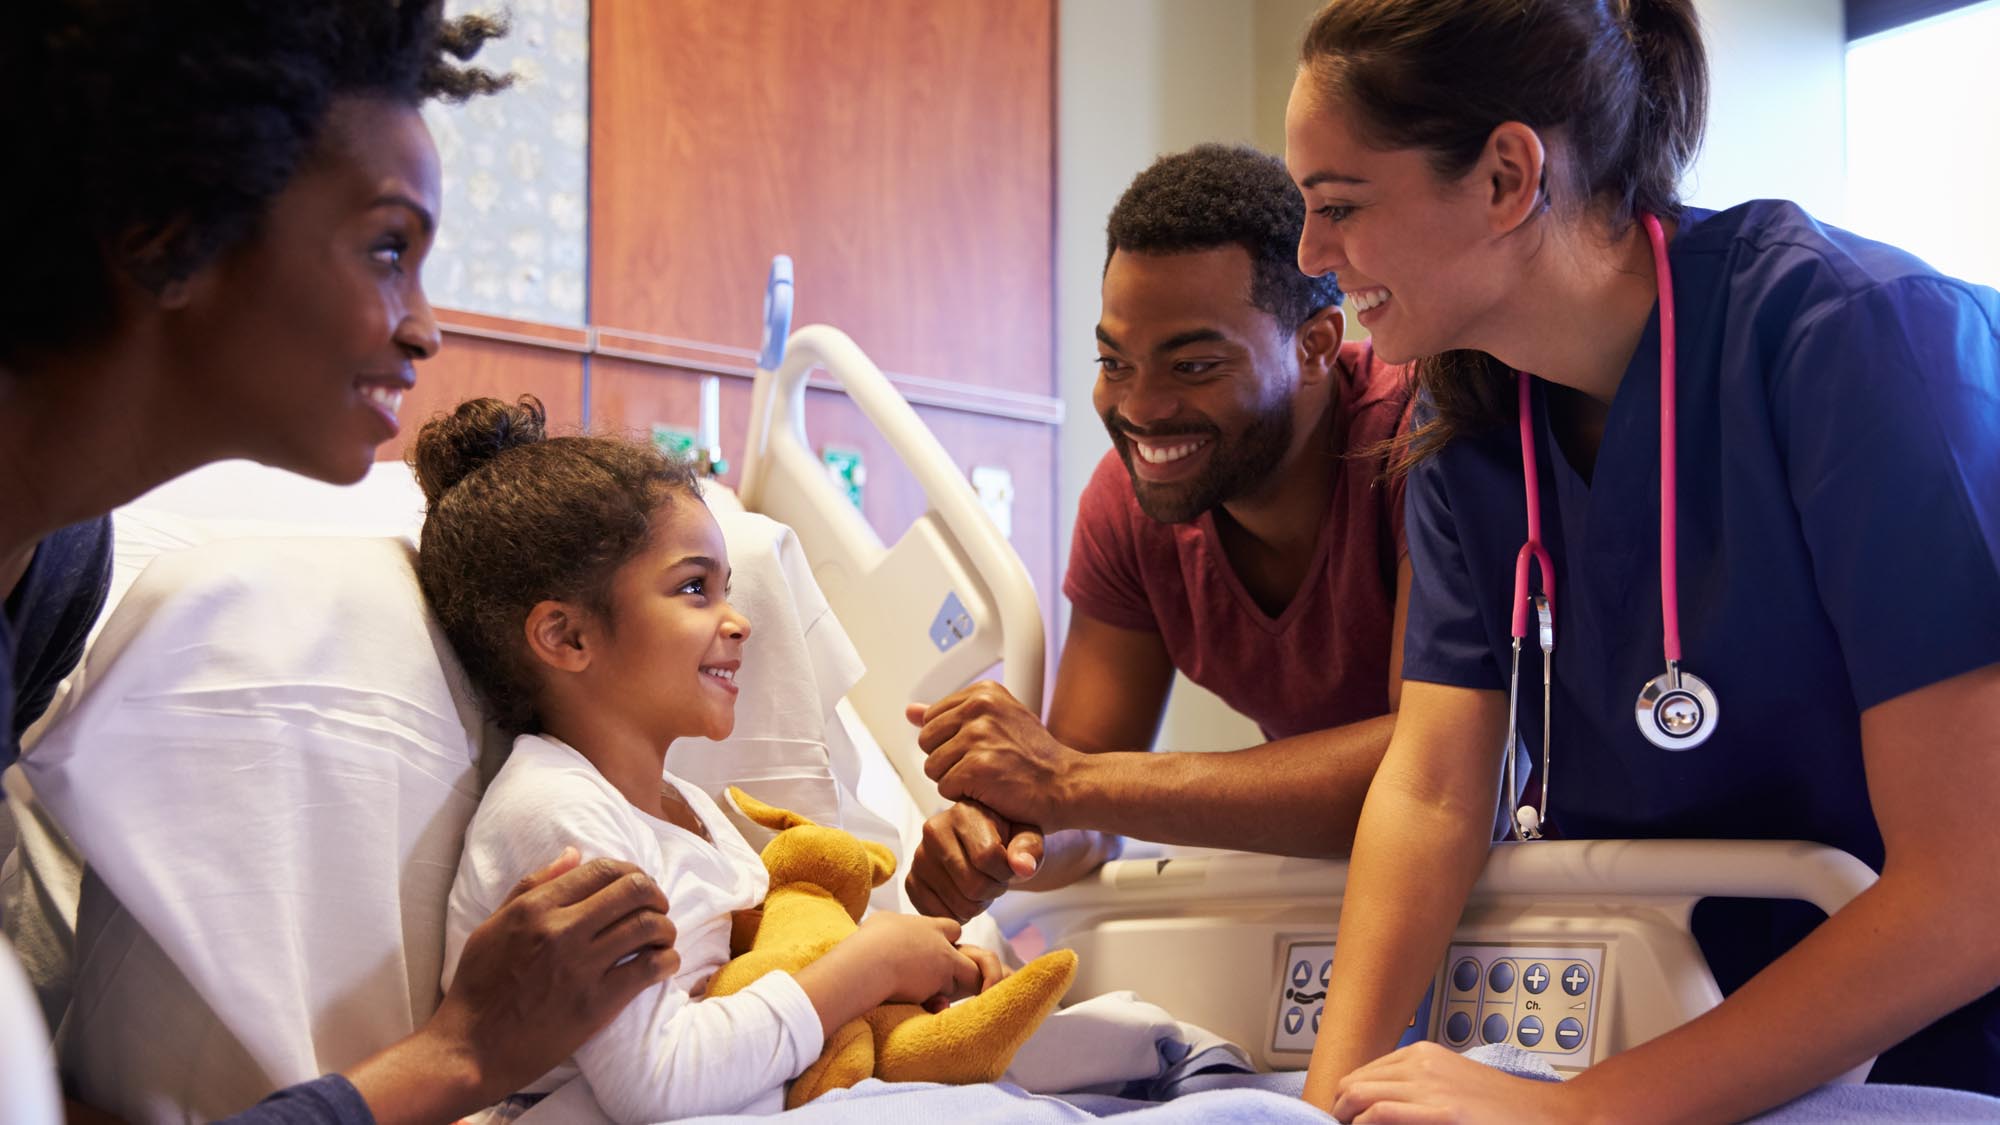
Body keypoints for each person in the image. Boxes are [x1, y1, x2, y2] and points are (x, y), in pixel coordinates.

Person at [1282, 1, 2000, 1120]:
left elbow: (1971, 894)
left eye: (1336, 207)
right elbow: (1429, 791)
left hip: (1940, 1034)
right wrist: (1328, 1103)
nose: (1311, 258)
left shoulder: (1858, 344)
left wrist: (1571, 1111)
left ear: (1505, 178)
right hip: (1678, 1019)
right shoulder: (1467, 429)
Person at [0, 4, 680, 1121]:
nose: (424, 329)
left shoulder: (55, 564)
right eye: (385, 249)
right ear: (172, 227)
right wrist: (459, 1054)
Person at [415, 398, 1006, 1122]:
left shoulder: (687, 808)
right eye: (695, 587)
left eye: (727, 587)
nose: (739, 619)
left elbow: (759, 985)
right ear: (567, 638)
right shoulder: (559, 818)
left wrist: (921, 974)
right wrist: (871, 964)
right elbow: (657, 1082)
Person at [905, 144, 1413, 924]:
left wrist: (1065, 783)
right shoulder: (1130, 506)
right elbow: (1087, 797)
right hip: (1357, 891)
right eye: (1115, 361)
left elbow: (1428, 768)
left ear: (1314, 345)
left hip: (1578, 871)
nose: (1140, 408)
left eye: (1194, 366)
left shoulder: (1418, 444)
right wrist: (1003, 840)